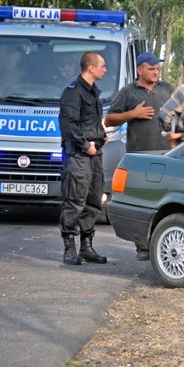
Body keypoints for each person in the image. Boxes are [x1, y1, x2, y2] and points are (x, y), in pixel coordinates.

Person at [104, 51, 174, 260]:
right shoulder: (128, 92)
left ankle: (160, 245)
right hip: (139, 156)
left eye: (157, 68)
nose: (155, 72)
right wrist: (132, 114)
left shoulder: (167, 89)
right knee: (141, 202)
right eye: (151, 68)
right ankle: (142, 247)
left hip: (167, 156)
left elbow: (181, 113)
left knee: (164, 202)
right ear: (140, 70)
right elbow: (109, 120)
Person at [58, 51, 109, 266]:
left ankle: (86, 247)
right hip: (79, 154)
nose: (105, 70)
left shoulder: (93, 91)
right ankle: (69, 248)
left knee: (93, 201)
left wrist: (101, 135)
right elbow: (69, 125)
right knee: (75, 200)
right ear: (91, 68)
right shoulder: (73, 92)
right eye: (102, 66)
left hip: (94, 154)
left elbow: (90, 121)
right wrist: (85, 144)